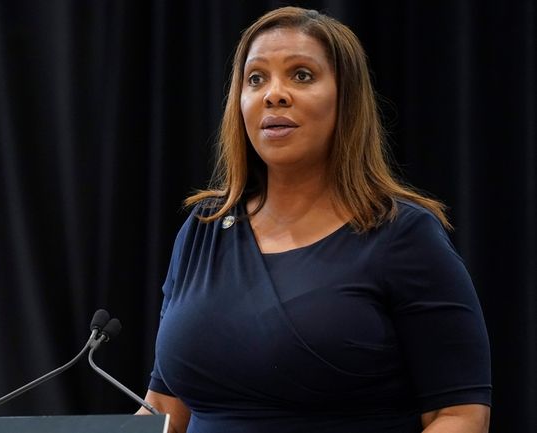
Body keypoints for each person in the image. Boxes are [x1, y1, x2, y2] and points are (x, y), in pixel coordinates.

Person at [135, 6, 491, 433]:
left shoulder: (403, 234)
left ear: (347, 98)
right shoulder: (203, 228)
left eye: (301, 75)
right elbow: (163, 409)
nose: (274, 94)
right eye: (256, 78)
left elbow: (460, 415)